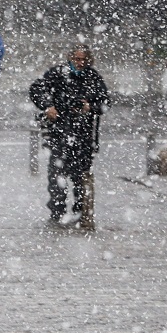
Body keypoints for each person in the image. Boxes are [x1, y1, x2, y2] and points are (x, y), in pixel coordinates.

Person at [29, 45, 109, 224]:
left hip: (84, 137)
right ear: (70, 58)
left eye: (83, 60)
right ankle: (57, 213)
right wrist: (48, 106)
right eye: (77, 59)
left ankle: (81, 213)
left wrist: (90, 107)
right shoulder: (57, 74)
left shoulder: (93, 77)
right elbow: (36, 89)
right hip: (59, 134)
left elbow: (105, 102)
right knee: (57, 176)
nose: (80, 63)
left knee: (81, 179)